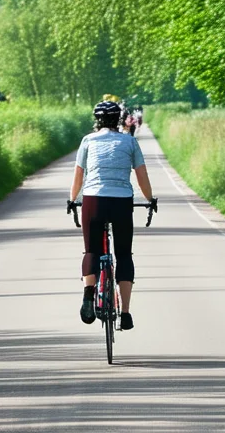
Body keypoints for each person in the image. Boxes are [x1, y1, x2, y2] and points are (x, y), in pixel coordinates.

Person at [68, 100, 154, 331]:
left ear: (96, 120)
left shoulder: (88, 140)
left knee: (92, 250)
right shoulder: (129, 141)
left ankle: (88, 295)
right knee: (124, 254)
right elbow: (141, 176)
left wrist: (72, 198)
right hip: (121, 202)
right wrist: (149, 199)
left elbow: (79, 176)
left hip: (93, 199)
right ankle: (125, 313)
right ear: (118, 120)